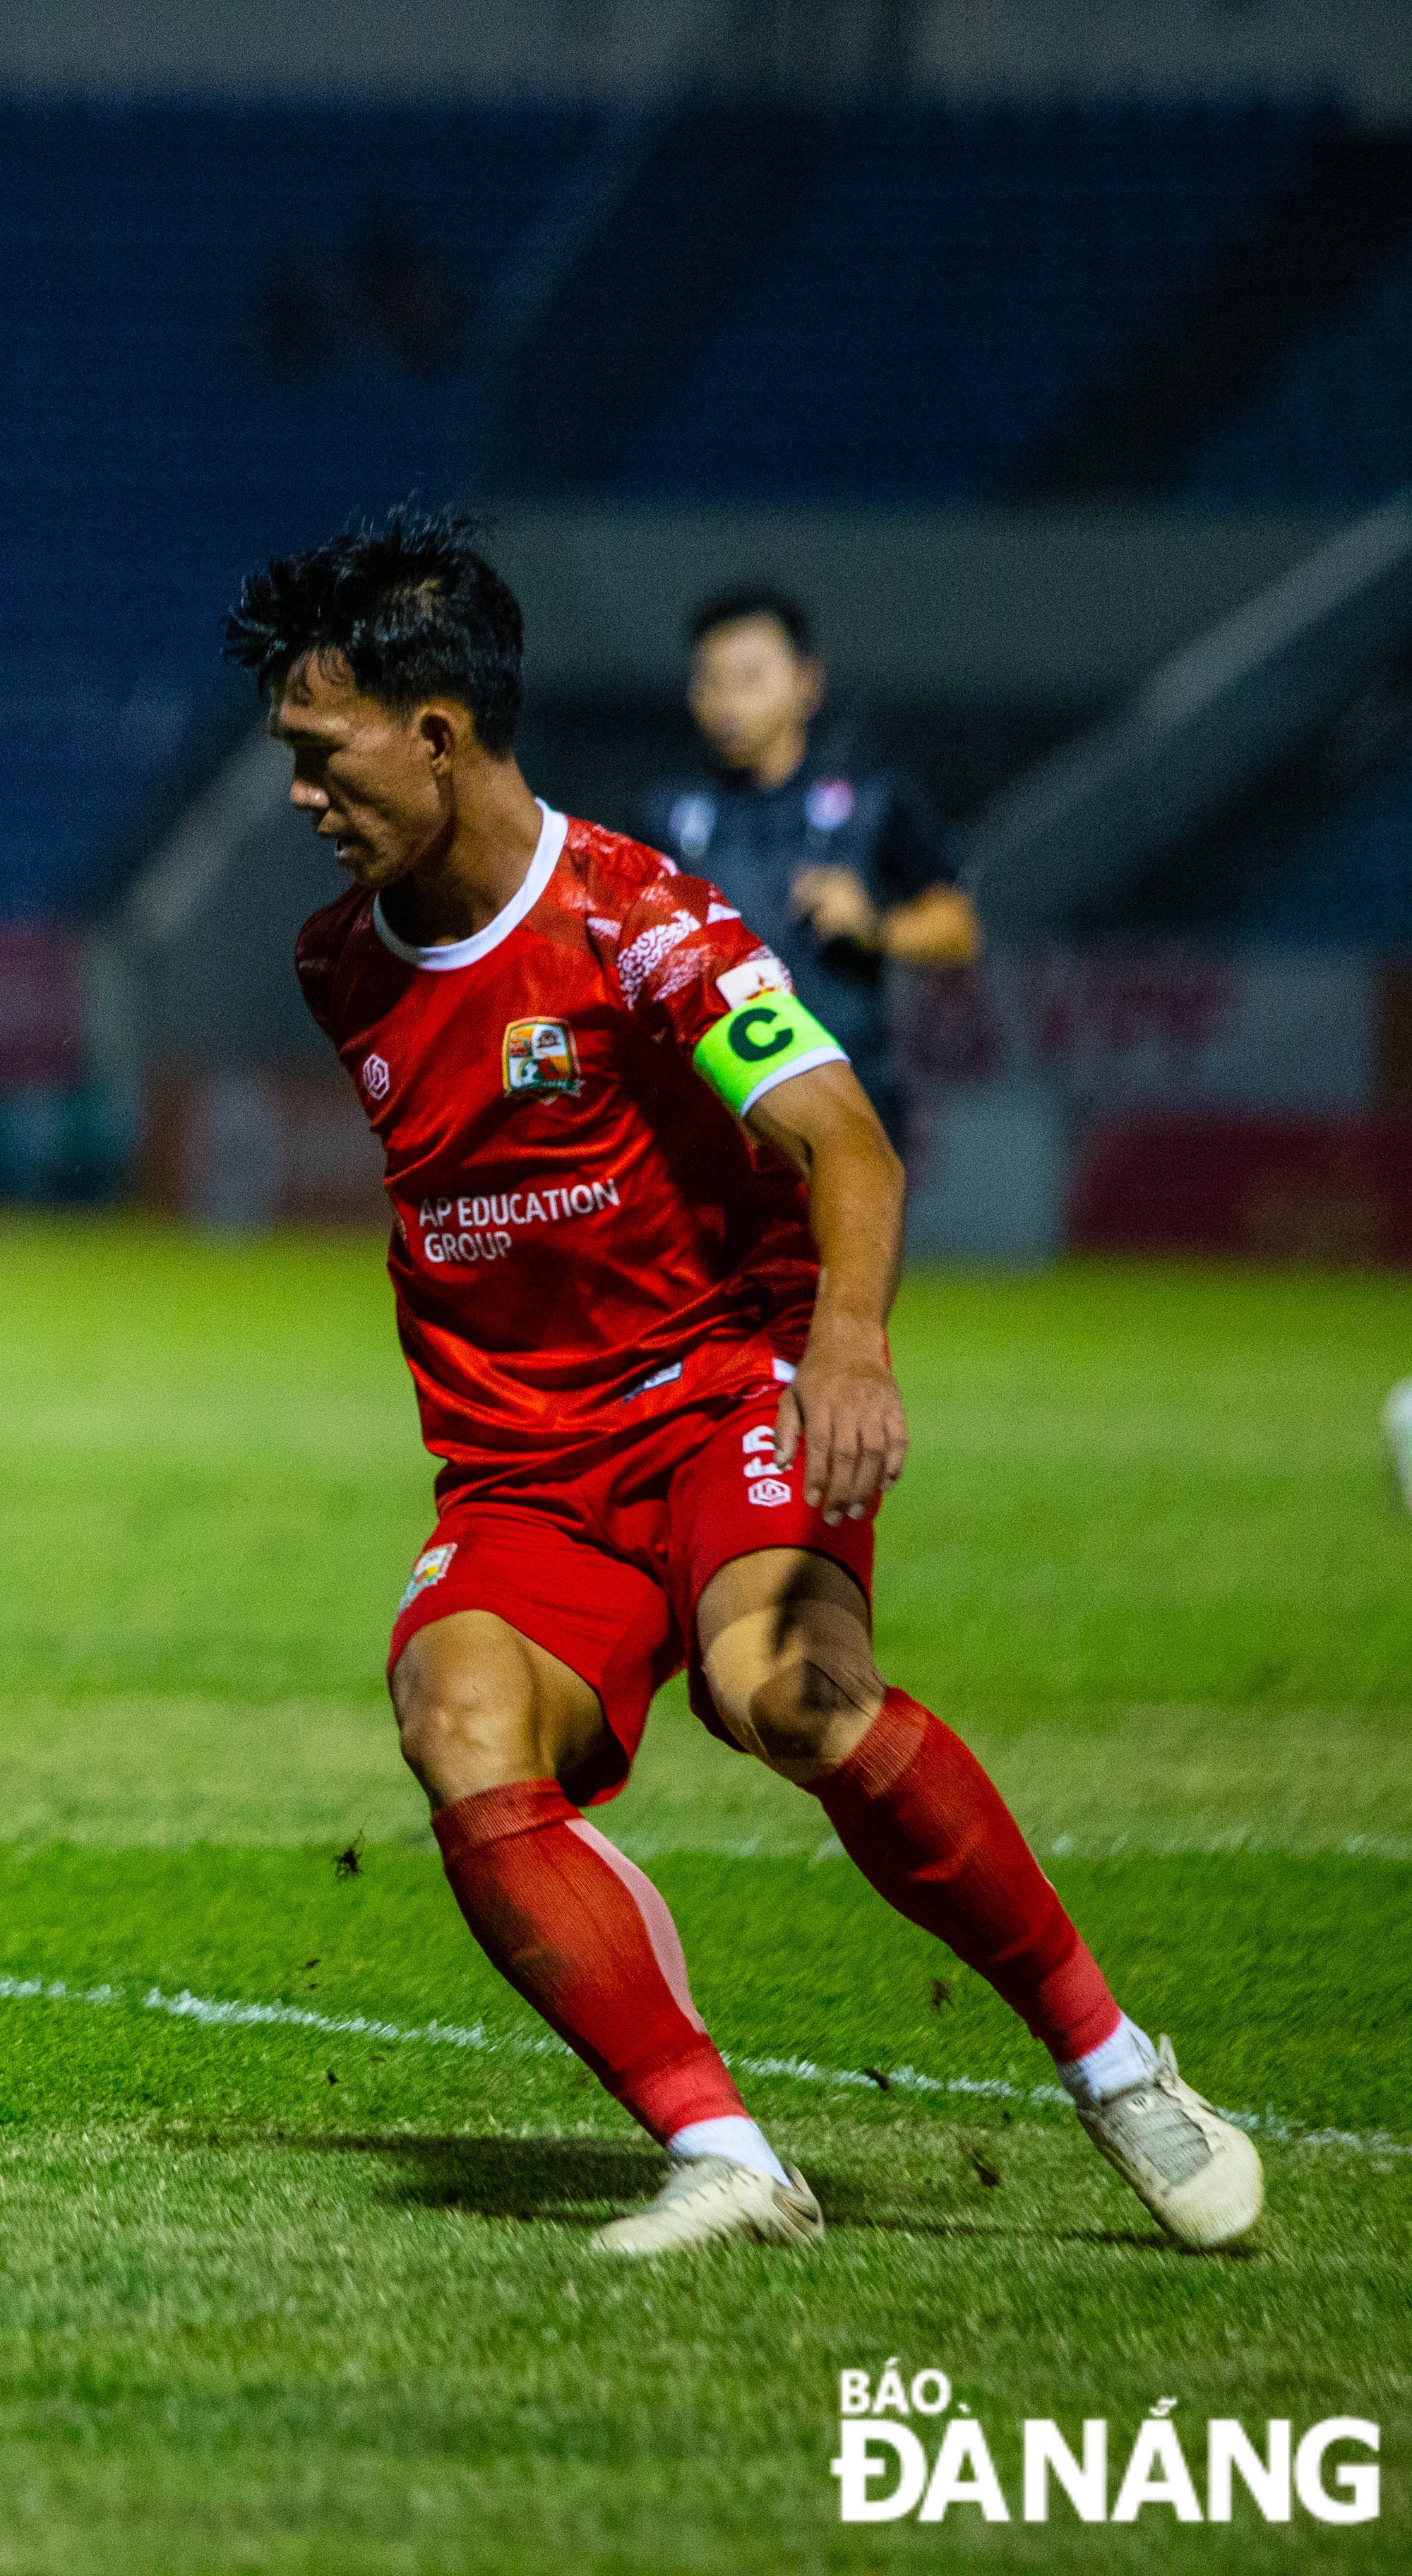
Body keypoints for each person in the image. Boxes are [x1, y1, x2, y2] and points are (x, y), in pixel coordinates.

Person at [227, 508, 1257, 2258]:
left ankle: (1110, 2067)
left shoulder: (641, 921)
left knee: (784, 1692)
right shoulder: (340, 963)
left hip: (719, 1400)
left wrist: (842, 1347)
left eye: (318, 757)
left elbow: (841, 1139)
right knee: (455, 1725)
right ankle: (716, 2153)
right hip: (516, 1472)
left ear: (436, 732)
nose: (300, 797)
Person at [645, 585, 979, 1137]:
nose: (727, 700)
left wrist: (876, 927)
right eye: (710, 680)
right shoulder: (665, 815)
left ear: (807, 683)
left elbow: (960, 930)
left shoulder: (870, 796)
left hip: (848, 1110)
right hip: (711, 1118)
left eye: (750, 677)